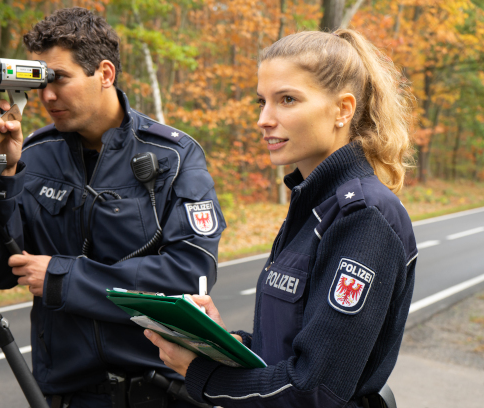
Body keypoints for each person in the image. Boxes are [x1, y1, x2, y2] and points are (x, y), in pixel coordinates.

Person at [0, 7, 225, 408]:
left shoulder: (173, 156)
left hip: (159, 391)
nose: (48, 95)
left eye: (59, 79)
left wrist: (63, 277)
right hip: (66, 396)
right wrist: (1, 174)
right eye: (40, 80)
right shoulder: (33, 154)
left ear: (104, 74)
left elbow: (189, 275)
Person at [145, 29, 417, 408]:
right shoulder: (312, 203)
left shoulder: (363, 216)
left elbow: (313, 389)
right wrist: (219, 340)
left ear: (343, 109)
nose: (264, 119)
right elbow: (288, 348)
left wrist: (202, 375)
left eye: (287, 100)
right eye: (262, 102)